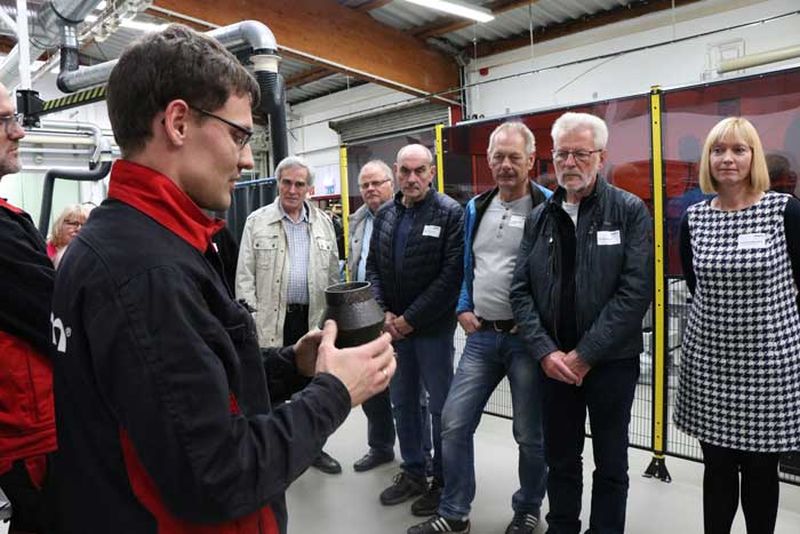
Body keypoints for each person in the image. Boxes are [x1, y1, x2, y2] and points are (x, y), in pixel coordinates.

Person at [50, 24, 395, 534]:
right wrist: (335, 392)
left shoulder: (121, 243)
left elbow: (191, 381)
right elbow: (223, 474)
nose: (248, 158)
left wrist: (289, 367)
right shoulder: (149, 274)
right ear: (178, 123)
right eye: (237, 135)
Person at [510, 112, 652, 534]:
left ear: (601, 157)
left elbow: (635, 291)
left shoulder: (628, 212)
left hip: (611, 362)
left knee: (611, 461)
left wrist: (586, 354)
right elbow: (520, 290)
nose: (570, 162)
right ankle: (563, 527)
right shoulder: (540, 217)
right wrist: (545, 351)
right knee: (561, 459)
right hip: (553, 364)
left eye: (580, 153)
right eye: (562, 153)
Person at [409, 122, 550, 534]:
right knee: (453, 421)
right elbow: (468, 265)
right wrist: (462, 305)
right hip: (481, 336)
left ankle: (527, 508)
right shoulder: (477, 208)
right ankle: (454, 513)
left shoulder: (546, 208)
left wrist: (541, 329)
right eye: (498, 157)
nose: (506, 165)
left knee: (529, 434)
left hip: (527, 341)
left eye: (514, 157)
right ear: (488, 160)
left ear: (530, 158)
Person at [675, 117, 800, 534]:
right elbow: (696, 285)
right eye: (718, 150)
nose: (727, 158)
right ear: (707, 159)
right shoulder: (695, 219)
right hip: (709, 366)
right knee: (717, 469)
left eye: (738, 150)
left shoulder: (784, 211)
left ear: (754, 157)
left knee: (763, 473)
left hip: (768, 368)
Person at [367, 144, 464, 518]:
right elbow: (373, 267)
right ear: (396, 172)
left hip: (432, 330)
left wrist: (410, 319)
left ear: (432, 172)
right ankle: (413, 470)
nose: (411, 178)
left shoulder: (450, 213)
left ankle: (442, 480)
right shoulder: (387, 214)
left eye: (418, 170)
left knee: (441, 408)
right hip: (394, 329)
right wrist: (386, 313)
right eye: (405, 171)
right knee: (403, 401)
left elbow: (451, 276)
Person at [235, 155, 343, 474]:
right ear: (278, 183)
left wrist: (330, 323)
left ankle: (313, 449)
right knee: (272, 385)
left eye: (299, 184)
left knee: (312, 386)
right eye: (286, 182)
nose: (292, 190)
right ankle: (273, 450)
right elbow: (244, 277)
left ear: (309, 188)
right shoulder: (257, 221)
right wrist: (250, 322)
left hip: (311, 319)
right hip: (270, 319)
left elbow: (334, 276)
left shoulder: (323, 223)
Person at [0, 82, 58, 534]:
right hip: (29, 433)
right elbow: (59, 321)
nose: (17, 132)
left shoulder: (9, 219)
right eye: (4, 122)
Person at [348, 160, 398, 472]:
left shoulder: (403, 215)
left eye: (377, 183)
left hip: (397, 316)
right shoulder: (358, 220)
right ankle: (380, 447)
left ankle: (419, 459)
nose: (370, 189)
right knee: (372, 386)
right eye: (365, 185)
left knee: (409, 391)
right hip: (364, 314)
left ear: (390, 183)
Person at [46, 203, 92, 267]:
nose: (79, 229)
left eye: (84, 225)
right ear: (60, 224)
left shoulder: (90, 254)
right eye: (74, 223)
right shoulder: (43, 251)